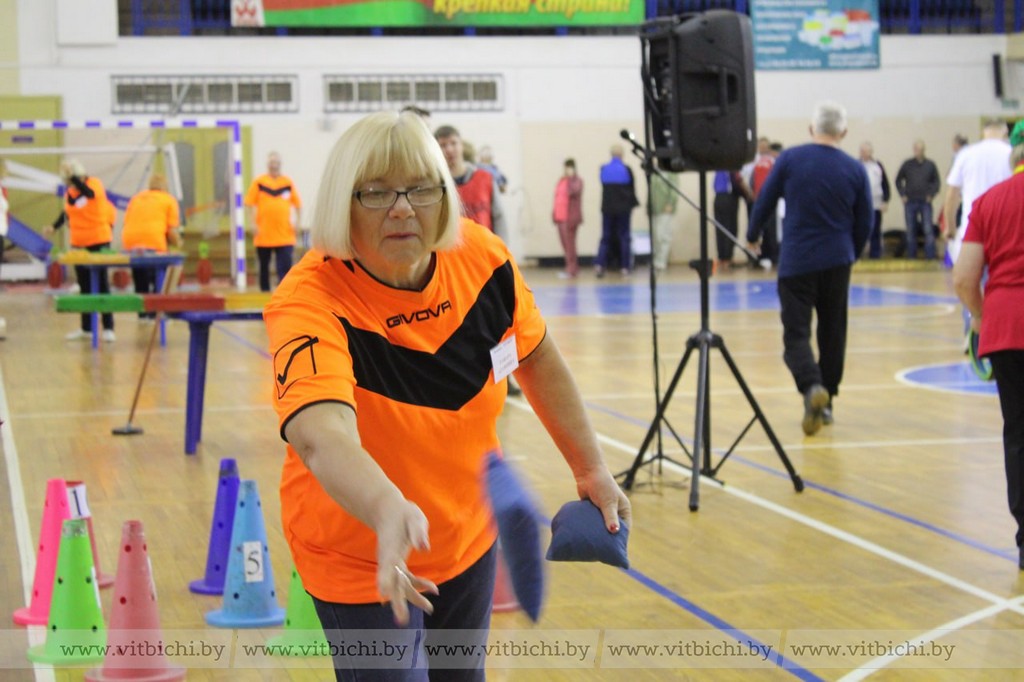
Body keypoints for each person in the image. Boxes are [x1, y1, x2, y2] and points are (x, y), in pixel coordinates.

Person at [263, 110, 631, 681]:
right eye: (377, 193)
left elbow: (536, 357)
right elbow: (321, 434)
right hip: (362, 551)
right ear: (342, 203)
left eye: (420, 189)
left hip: (466, 535)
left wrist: (591, 469)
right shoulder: (309, 301)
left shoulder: (483, 261)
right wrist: (386, 507)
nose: (403, 208)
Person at [747, 102, 872, 436]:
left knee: (796, 335)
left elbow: (765, 199)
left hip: (798, 261)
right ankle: (826, 401)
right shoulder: (855, 169)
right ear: (843, 132)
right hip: (837, 260)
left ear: (810, 128)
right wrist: (851, 252)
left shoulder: (790, 159)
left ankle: (811, 386)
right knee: (833, 333)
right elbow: (866, 221)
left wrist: (752, 235)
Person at [952, 120, 1024, 570]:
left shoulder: (989, 201)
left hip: (1007, 328)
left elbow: (963, 277)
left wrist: (980, 316)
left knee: (1018, 434)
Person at [44, 159, 117, 342]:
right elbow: (68, 212)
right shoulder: (70, 191)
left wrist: (74, 177)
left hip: (98, 240)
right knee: (84, 285)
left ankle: (108, 327)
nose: (68, 183)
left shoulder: (94, 184)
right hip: (78, 242)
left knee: (101, 284)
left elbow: (89, 194)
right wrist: (54, 227)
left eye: (69, 179)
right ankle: (87, 329)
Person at [943, 119, 1011, 265]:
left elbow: (952, 195)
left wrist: (950, 227)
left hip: (972, 228)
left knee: (968, 282)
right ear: (1005, 132)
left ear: (983, 132)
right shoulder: (1012, 154)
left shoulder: (966, 154)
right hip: (1004, 230)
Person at [433, 125, 507, 243]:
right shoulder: (434, 184)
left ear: (461, 145)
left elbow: (498, 217)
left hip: (484, 248)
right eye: (443, 145)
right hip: (451, 252)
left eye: (453, 143)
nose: (449, 149)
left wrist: (502, 247)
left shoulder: (485, 178)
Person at [121, 173, 181, 318]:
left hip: (131, 241)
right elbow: (171, 231)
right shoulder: (169, 200)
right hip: (154, 242)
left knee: (140, 277)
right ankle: (156, 313)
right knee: (158, 277)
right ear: (165, 187)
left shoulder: (136, 198)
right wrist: (179, 243)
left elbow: (127, 222)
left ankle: (142, 314)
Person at [245, 151, 302, 292]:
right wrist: (252, 223)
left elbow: (298, 205)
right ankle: (264, 295)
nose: (274, 165)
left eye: (276, 163)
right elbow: (248, 204)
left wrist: (298, 223)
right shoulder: (259, 182)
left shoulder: (287, 183)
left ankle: (285, 294)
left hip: (285, 234)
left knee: (285, 267)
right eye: (271, 163)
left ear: (280, 165)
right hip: (264, 234)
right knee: (263, 267)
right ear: (268, 165)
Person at [594, 144, 638, 277]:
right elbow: (631, 189)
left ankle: (600, 264)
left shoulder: (604, 169)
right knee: (624, 237)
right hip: (623, 209)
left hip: (607, 208)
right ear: (622, 155)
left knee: (605, 237)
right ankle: (625, 266)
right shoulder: (626, 169)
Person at [895, 139, 941, 260]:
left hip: (925, 202)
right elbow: (898, 180)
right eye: (916, 149)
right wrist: (902, 194)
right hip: (910, 202)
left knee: (928, 229)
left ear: (923, 150)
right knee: (911, 230)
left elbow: (936, 182)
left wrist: (931, 194)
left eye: (920, 149)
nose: (917, 151)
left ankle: (930, 257)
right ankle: (912, 257)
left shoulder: (930, 165)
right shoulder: (907, 164)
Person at [712, 169, 751, 270]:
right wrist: (749, 194)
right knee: (730, 228)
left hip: (718, 198)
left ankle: (722, 258)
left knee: (720, 229)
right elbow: (738, 180)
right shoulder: (732, 164)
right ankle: (727, 259)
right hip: (729, 198)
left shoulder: (719, 164)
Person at [858, 142, 891, 259]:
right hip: (861, 205)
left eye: (865, 151)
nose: (862, 153)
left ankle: (875, 255)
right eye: (861, 151)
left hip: (876, 204)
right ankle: (859, 255)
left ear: (870, 152)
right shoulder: (856, 165)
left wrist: (885, 201)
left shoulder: (878, 165)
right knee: (860, 230)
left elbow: (885, 184)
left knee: (875, 230)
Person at [552, 158, 583, 278]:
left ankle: (572, 269)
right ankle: (569, 267)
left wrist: (571, 178)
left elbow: (574, 191)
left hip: (570, 218)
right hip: (560, 217)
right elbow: (557, 197)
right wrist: (554, 213)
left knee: (570, 245)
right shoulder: (561, 180)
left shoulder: (577, 181)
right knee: (565, 245)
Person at [650, 170, 679, 273]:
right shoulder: (654, 172)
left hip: (666, 209)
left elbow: (674, 189)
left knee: (663, 235)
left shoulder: (671, 173)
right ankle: (655, 260)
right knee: (655, 236)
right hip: (654, 209)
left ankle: (661, 261)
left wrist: (670, 203)